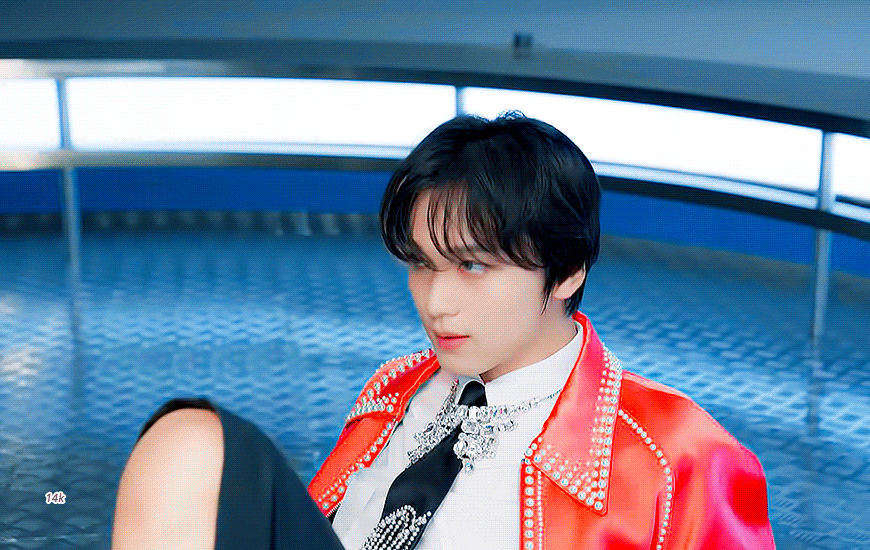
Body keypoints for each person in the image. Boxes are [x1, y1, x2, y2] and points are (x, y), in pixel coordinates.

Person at [308, 113, 777, 550]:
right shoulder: (392, 390)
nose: (435, 304)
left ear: (568, 270)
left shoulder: (681, 457)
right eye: (421, 264)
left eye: (472, 265)